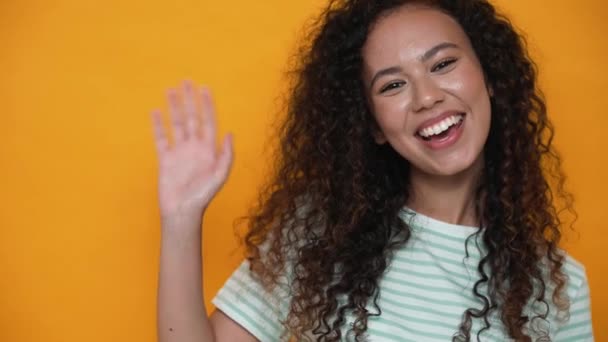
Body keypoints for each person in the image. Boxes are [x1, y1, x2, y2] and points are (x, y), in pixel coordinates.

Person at [151, 0, 594, 341]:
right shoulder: (319, 233)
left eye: (443, 64)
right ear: (374, 126)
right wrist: (180, 222)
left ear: (490, 77)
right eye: (392, 85)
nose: (425, 97)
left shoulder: (557, 285)